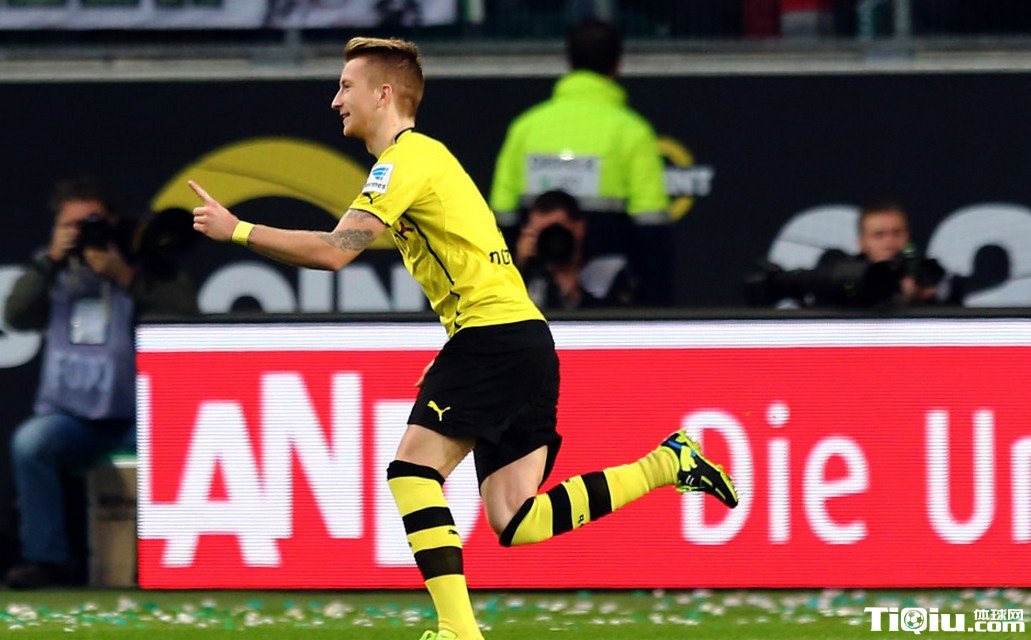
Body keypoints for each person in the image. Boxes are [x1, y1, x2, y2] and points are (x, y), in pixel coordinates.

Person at [189, 37, 737, 640]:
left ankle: (458, 630)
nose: (335, 100)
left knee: (411, 472)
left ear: (384, 94)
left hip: (496, 338)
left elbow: (335, 250)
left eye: (346, 87)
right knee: (516, 518)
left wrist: (237, 229)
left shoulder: (405, 160)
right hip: (520, 338)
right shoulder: (423, 160)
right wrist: (457, 350)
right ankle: (667, 463)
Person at [3, 177, 197, 589]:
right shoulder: (49, 271)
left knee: (183, 443)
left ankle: (177, 556)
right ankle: (46, 558)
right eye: (71, 225)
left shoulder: (143, 264)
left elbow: (186, 314)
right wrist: (51, 261)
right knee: (30, 444)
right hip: (71, 419)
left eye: (91, 223)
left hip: (137, 417)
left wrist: (124, 276)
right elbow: (16, 316)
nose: (83, 233)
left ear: (113, 222)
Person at [744, 202, 954, 308]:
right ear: (862, 241)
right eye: (879, 235)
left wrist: (918, 296)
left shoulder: (926, 272)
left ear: (907, 236)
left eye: (896, 233)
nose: (889, 242)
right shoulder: (844, 270)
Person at [515, 190, 636, 310]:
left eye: (555, 232)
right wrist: (518, 267)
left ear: (579, 227)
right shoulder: (526, 277)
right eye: (540, 233)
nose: (549, 240)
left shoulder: (608, 271)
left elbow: (622, 315)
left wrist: (571, 287)